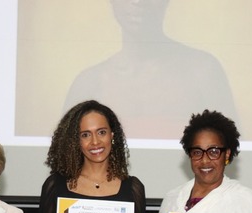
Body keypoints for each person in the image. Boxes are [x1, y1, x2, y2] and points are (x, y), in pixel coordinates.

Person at [62, 0, 238, 139]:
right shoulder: (88, 84)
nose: (139, 1)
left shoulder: (202, 71)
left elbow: (233, 153)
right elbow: (63, 163)